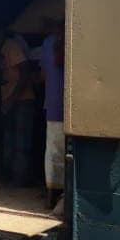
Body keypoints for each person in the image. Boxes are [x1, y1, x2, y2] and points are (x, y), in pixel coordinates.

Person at [0, 32, 37, 186]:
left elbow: (24, 72)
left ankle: (19, 179)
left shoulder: (11, 45)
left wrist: (12, 99)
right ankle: (11, 177)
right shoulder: (5, 48)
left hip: (21, 101)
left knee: (20, 142)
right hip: (13, 99)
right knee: (11, 140)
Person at [40, 20, 65, 212]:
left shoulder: (48, 43)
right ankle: (64, 197)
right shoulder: (76, 40)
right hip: (75, 107)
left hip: (54, 106)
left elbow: (43, 74)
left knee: (53, 154)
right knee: (69, 155)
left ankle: (52, 196)